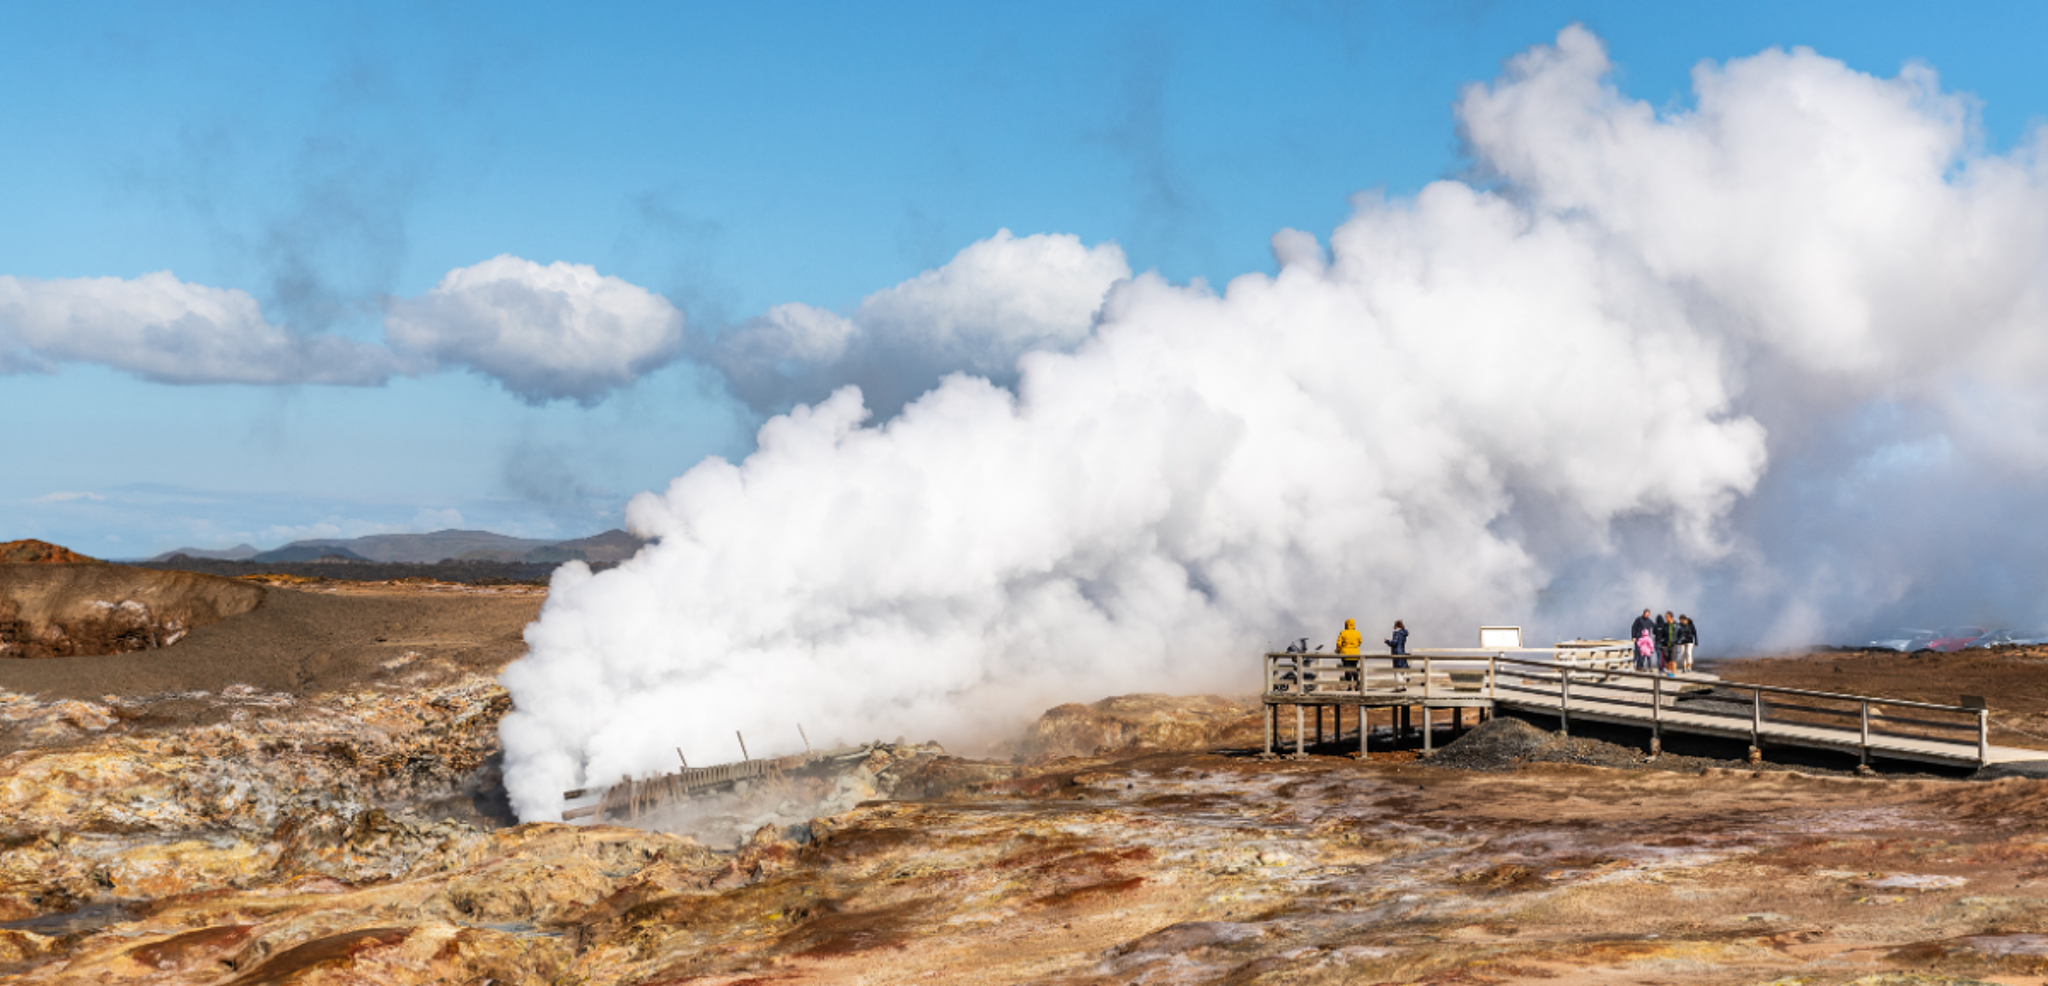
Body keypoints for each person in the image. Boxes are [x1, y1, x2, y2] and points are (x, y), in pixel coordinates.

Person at [1335, 619, 1362, 685]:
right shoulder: (1357, 633)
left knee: (1347, 670)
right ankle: (1357, 684)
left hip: (1345, 654)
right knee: (1354, 669)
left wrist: (1338, 650)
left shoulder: (1343, 632)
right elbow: (1360, 641)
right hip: (1355, 654)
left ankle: (1349, 686)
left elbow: (1338, 643)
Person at [1385, 620, 1410, 690]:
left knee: (1397, 670)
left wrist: (1387, 641)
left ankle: (1399, 686)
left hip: (1397, 653)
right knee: (1402, 670)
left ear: (1396, 626)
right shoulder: (1404, 634)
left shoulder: (1396, 633)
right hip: (1402, 652)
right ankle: (1404, 685)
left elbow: (1394, 643)